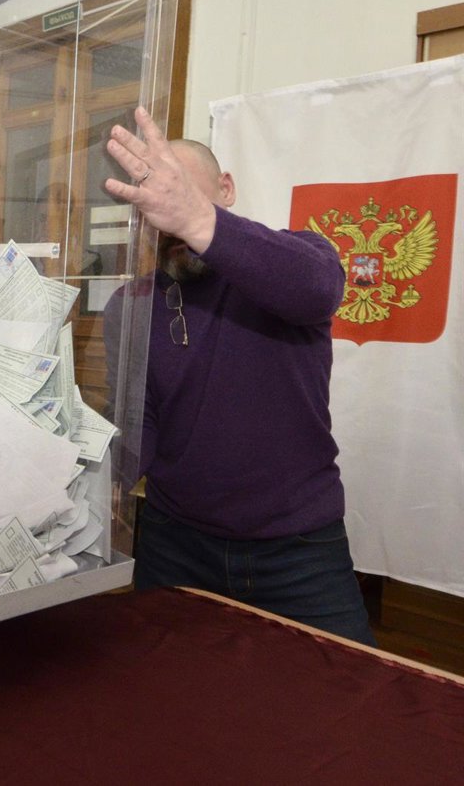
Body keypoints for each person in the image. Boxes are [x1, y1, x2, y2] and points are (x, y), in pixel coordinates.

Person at [102, 106, 374, 645]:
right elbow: (139, 427)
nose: (166, 212)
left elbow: (318, 288)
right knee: (163, 685)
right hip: (175, 544)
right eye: (152, 198)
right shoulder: (130, 305)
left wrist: (196, 220)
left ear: (225, 189)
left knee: (350, 690)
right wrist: (88, 476)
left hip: (297, 551)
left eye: (178, 190)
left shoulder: (295, 256)